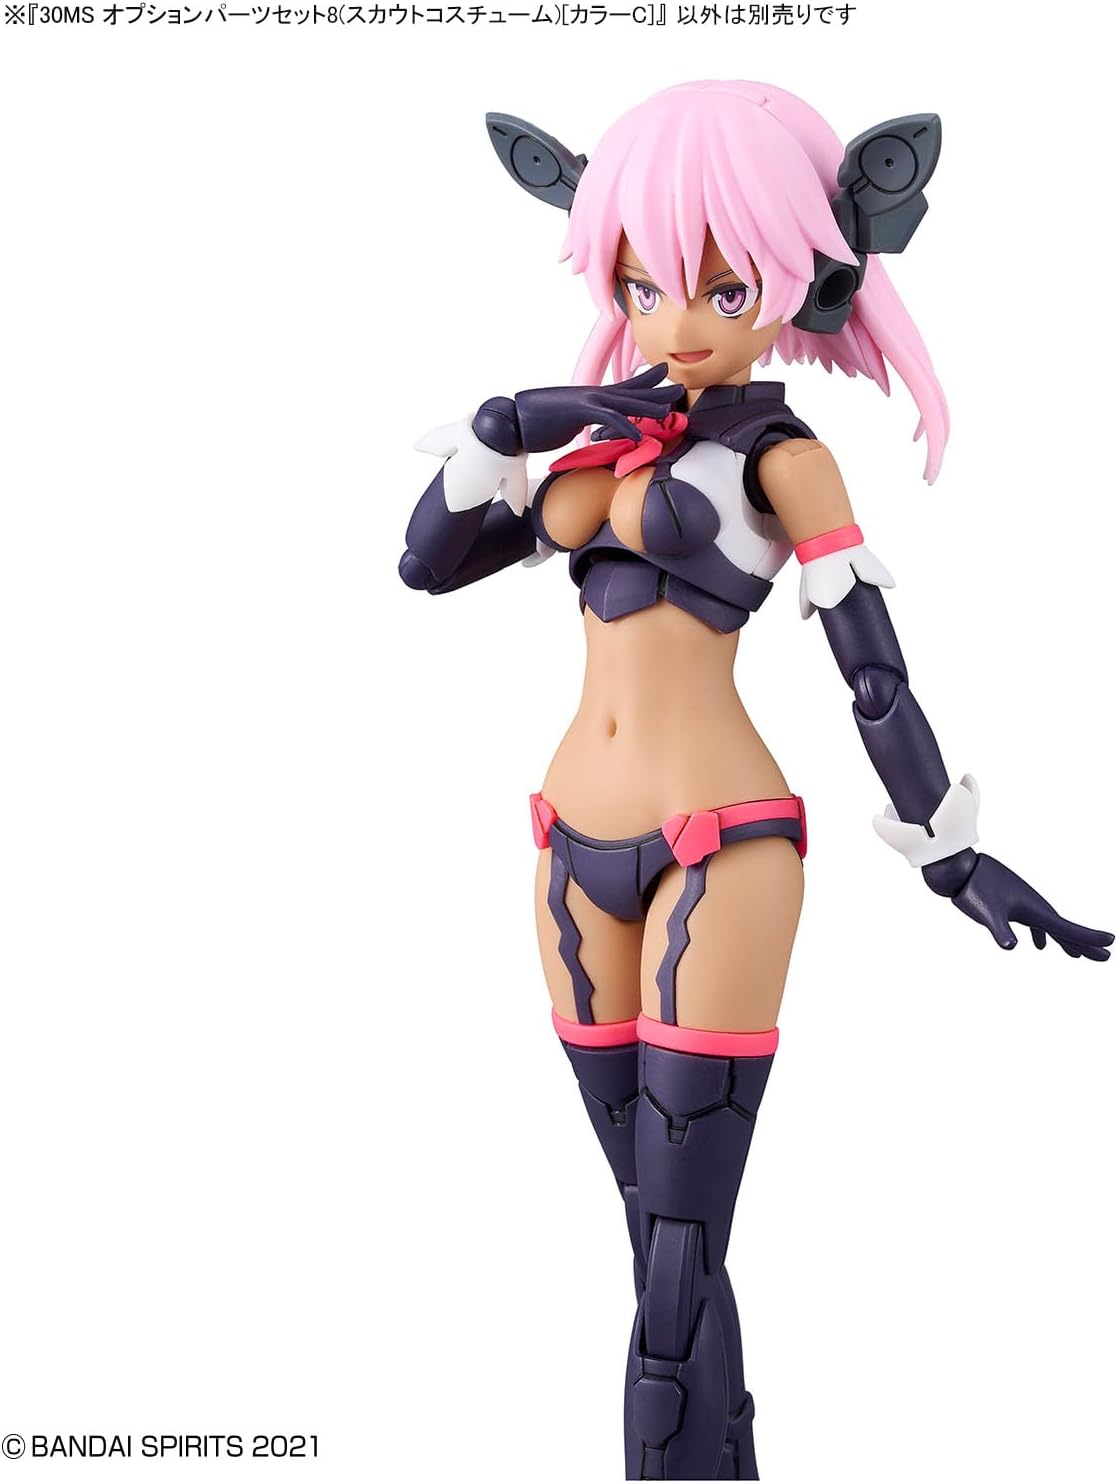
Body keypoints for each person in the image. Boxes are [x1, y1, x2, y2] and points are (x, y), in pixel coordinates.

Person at [397, 80, 1112, 1481]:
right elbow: (427, 562)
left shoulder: (783, 456)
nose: (675, 318)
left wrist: (952, 851)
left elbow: (871, 667)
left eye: (724, 287)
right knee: (660, 1243)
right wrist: (506, 420)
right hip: (568, 848)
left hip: (717, 849)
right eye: (643, 282)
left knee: (674, 1251)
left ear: (804, 273)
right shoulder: (594, 440)